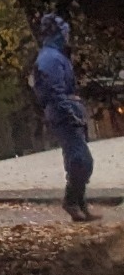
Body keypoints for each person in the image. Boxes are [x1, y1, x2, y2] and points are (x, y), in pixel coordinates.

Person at [30, 14, 95, 222]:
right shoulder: (50, 58)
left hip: (65, 113)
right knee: (80, 159)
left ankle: (79, 203)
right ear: (57, 33)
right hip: (63, 114)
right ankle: (72, 201)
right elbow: (55, 91)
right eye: (65, 32)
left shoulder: (54, 56)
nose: (67, 35)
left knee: (77, 158)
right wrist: (70, 111)